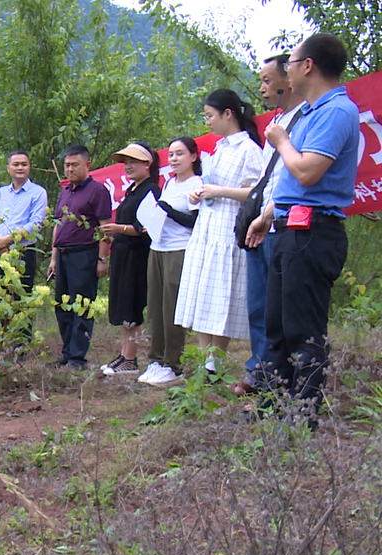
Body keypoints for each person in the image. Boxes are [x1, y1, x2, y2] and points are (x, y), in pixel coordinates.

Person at [246, 33, 360, 425]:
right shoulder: (311, 112)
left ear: (307, 66)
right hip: (288, 228)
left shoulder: (337, 111)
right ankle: (274, 406)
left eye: (290, 64)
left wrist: (280, 141)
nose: (285, 73)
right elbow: (292, 185)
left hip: (313, 233)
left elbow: (307, 172)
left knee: (303, 331)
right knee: (276, 326)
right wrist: (267, 216)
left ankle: (302, 417)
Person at [230, 54, 305, 396]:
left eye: (266, 80)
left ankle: (280, 379)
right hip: (261, 224)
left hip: (283, 225)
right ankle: (259, 370)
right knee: (258, 304)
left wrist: (268, 215)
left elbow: (295, 178)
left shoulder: (305, 119)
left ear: (288, 80)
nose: (261, 87)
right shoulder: (276, 121)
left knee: (279, 310)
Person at [174, 88, 264, 373]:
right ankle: (204, 361)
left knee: (222, 294)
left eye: (210, 116)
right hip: (207, 227)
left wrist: (220, 191)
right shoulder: (220, 147)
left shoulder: (249, 149)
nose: (208, 122)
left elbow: (258, 190)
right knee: (203, 292)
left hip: (229, 230)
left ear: (229, 114)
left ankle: (216, 362)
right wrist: (200, 194)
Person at [138, 138, 202, 386]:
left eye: (180, 154)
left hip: (179, 249)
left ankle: (172, 364)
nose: (174, 159)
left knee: (172, 308)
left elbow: (194, 221)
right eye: (171, 155)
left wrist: (167, 210)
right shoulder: (169, 183)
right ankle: (155, 359)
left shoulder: (197, 184)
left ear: (193, 157)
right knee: (155, 307)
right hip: (158, 246)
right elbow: (162, 212)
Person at [46, 144, 113, 370]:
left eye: (75, 165)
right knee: (62, 306)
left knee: (81, 306)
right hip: (63, 255)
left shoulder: (97, 191)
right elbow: (58, 226)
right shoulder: (66, 191)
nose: (70, 169)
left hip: (84, 254)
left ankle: (77, 357)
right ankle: (67, 352)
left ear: (87, 165)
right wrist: (54, 258)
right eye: (67, 165)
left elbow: (105, 228)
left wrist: (102, 260)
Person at [99, 143, 160, 376]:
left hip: (137, 255)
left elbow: (146, 227)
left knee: (132, 306)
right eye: (126, 162)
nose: (128, 166)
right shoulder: (132, 190)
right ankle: (124, 354)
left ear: (148, 163)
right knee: (122, 305)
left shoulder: (151, 190)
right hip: (123, 254)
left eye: (134, 161)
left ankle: (131, 358)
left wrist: (120, 229)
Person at [0, 150, 48, 296]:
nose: (20, 168)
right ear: (8, 168)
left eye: (24, 164)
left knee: (20, 299)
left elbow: (35, 224)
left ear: (29, 167)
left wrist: (6, 241)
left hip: (23, 253)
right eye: (16, 164)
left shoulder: (38, 192)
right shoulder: (1, 192)